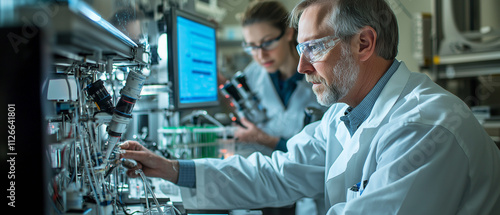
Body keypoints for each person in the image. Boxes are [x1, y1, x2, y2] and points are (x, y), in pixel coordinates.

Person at [120, 0, 500, 214]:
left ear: (364, 44)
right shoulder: (345, 113)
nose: (301, 66)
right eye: (300, 49)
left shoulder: (426, 128)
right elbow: (276, 173)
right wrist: (172, 170)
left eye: (314, 48)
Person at [231, 0, 326, 158]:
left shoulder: (319, 72)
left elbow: (323, 148)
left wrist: (266, 140)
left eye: (267, 43)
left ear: (288, 33)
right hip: (264, 170)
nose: (261, 55)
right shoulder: (251, 76)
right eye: (252, 47)